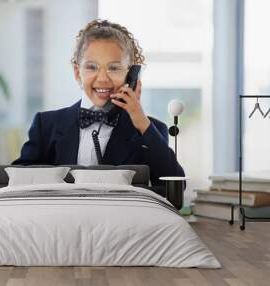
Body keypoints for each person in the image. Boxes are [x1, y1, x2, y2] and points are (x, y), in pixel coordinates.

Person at [12, 19, 184, 187]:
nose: (102, 78)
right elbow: (15, 183)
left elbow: (174, 187)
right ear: (77, 73)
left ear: (131, 75)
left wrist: (141, 122)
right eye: (92, 67)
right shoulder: (46, 125)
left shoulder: (148, 130)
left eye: (114, 68)